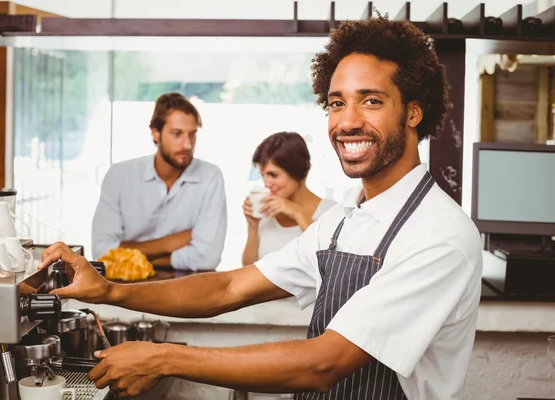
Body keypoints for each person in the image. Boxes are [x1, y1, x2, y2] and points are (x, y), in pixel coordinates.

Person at [42, 17, 482, 399]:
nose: (347, 121)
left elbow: (323, 364)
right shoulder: (342, 220)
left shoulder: (437, 234)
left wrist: (163, 358)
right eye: (336, 102)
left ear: (413, 113)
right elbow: (229, 288)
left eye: (371, 100)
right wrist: (110, 291)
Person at [91, 92, 227, 270]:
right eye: (177, 134)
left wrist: (138, 257)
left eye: (192, 135)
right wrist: (171, 243)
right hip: (126, 285)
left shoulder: (211, 176)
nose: (187, 145)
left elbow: (207, 257)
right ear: (156, 133)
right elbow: (102, 252)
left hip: (187, 287)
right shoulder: (119, 176)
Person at [242, 132, 336, 266]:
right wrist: (253, 226)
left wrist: (297, 212)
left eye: (273, 175)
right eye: (263, 175)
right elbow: (247, 270)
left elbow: (330, 266)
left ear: (298, 171)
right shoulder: (266, 213)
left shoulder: (332, 213)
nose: (267, 183)